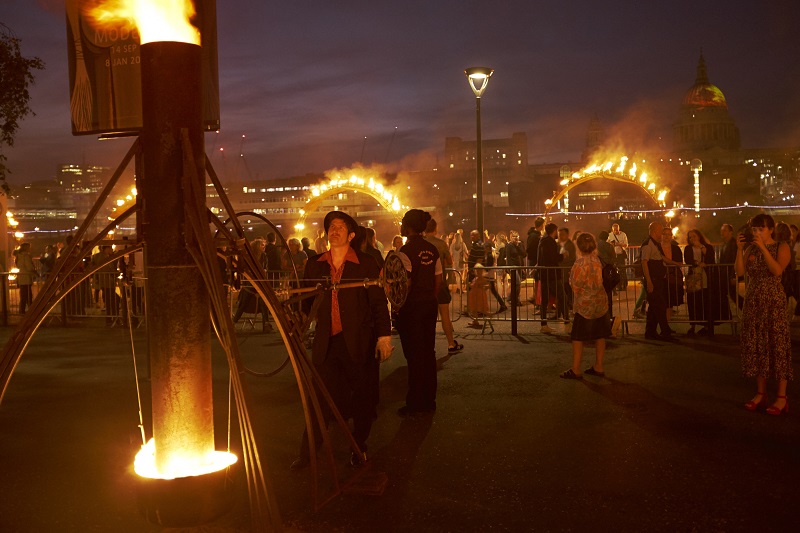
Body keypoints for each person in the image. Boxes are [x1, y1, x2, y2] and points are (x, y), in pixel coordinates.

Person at [290, 210, 393, 469]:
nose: (334, 230)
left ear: (351, 234)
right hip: (327, 343)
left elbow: (379, 304)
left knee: (362, 399)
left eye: (340, 227)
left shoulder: (366, 263)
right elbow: (307, 303)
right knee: (319, 400)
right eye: (331, 226)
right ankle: (309, 454)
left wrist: (383, 338)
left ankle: (359, 448)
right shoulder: (316, 264)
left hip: (359, 342)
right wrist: (295, 316)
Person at [735, 214, 792, 416]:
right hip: (753, 300)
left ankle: (781, 397)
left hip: (773, 300)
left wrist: (762, 248)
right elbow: (740, 271)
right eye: (754, 229)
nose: (756, 233)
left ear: (770, 229)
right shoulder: (750, 247)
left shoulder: (781, 247)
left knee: (777, 345)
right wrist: (740, 249)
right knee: (757, 344)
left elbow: (777, 270)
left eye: (760, 229)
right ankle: (760, 393)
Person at [396, 209, 442, 417]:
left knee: (414, 355)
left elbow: (406, 283)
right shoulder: (432, 250)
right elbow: (438, 279)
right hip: (429, 305)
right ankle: (429, 398)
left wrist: (399, 307)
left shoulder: (405, 251)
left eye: (403, 222)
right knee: (428, 351)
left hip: (412, 307)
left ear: (408, 227)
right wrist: (430, 297)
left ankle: (415, 401)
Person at [559, 233, 610, 380]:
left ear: (579, 247)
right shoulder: (598, 261)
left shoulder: (579, 264)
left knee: (578, 337)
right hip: (600, 303)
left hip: (585, 305)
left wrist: (571, 277)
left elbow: (575, 286)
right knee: (600, 336)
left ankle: (576, 369)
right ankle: (599, 365)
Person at [424, 218, 463, 354]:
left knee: (427, 318)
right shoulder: (441, 244)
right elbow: (449, 262)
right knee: (445, 315)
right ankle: (451, 344)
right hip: (440, 284)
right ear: (435, 229)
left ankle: (427, 347)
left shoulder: (420, 244)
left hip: (424, 286)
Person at [641, 222, 675, 341]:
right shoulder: (648, 244)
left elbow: (661, 258)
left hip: (657, 280)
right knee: (660, 306)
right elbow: (644, 263)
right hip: (653, 280)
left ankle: (650, 332)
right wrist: (649, 282)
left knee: (654, 308)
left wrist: (676, 263)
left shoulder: (654, 244)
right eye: (661, 231)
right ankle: (665, 332)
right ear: (655, 231)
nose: (662, 234)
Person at [683, 229, 714, 335]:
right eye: (690, 237)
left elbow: (711, 259)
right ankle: (693, 325)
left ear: (699, 236)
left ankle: (706, 325)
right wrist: (697, 262)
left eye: (694, 236)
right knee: (692, 300)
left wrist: (702, 249)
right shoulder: (688, 248)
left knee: (704, 299)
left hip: (705, 276)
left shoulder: (707, 247)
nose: (692, 239)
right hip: (693, 275)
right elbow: (687, 259)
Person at [537, 223, 560, 334]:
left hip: (544, 273)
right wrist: (562, 256)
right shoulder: (550, 242)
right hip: (551, 274)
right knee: (562, 296)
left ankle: (544, 324)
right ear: (554, 231)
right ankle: (567, 324)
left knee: (545, 300)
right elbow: (552, 258)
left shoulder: (542, 241)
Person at [660, 226, 684, 323]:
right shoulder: (657, 247)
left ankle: (667, 323)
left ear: (671, 236)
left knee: (670, 302)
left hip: (672, 277)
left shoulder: (675, 248)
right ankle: (662, 323)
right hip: (661, 277)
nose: (666, 236)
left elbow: (679, 261)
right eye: (664, 234)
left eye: (668, 234)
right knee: (662, 301)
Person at [15, 242, 36, 314]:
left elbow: (18, 266)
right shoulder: (26, 256)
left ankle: (22, 310)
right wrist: (34, 269)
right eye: (29, 247)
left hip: (21, 277)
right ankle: (31, 311)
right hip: (27, 277)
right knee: (29, 295)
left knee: (23, 296)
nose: (30, 249)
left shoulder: (18, 256)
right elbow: (29, 267)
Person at [607, 223, 629, 291]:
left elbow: (626, 245)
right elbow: (607, 244)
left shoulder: (623, 235)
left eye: (617, 230)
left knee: (622, 270)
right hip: (613, 255)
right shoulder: (610, 235)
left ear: (619, 229)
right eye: (615, 230)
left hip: (620, 254)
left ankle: (624, 285)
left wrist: (618, 244)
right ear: (612, 230)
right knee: (614, 271)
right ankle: (617, 286)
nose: (616, 231)